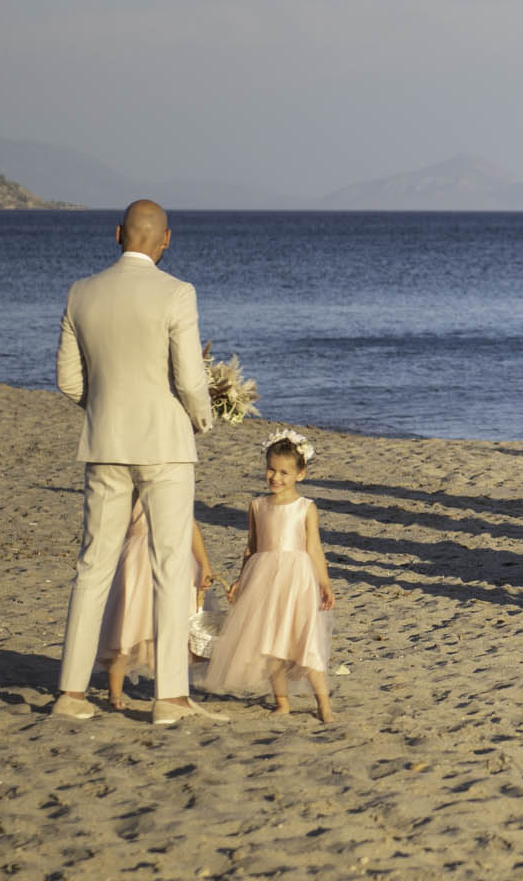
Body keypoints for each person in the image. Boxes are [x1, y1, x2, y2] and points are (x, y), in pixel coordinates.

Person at [53, 199, 221, 725]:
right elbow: (192, 379)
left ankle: (71, 694)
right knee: (171, 567)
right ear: (165, 240)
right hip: (165, 444)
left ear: (117, 233)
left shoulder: (82, 292)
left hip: (105, 442)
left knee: (93, 565)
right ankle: (169, 698)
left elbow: (67, 380)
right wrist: (204, 419)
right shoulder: (177, 293)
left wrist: (104, 408)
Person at [205, 430, 337, 722]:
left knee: (305, 641)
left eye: (284, 472)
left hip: (297, 580)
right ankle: (282, 702)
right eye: (271, 469)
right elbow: (251, 546)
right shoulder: (257, 505)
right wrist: (241, 580)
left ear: (300, 474)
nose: (275, 477)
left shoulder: (306, 508)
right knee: (271, 642)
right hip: (262, 579)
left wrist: (324, 583)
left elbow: (314, 548)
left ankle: (323, 703)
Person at [101, 514, 218, 711]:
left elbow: (189, 523)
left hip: (173, 555)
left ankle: (172, 690)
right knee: (128, 624)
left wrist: (204, 564)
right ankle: (115, 693)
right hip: (136, 558)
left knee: (177, 626)